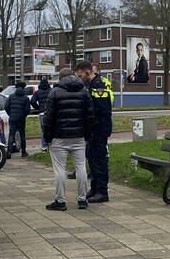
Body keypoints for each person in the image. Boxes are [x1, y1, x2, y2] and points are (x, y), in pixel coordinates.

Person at [42, 66, 93, 211]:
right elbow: (90, 116)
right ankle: (82, 199)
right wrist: (87, 135)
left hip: (59, 137)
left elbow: (48, 118)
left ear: (60, 78)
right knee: (81, 167)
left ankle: (60, 201)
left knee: (59, 170)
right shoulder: (84, 91)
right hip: (79, 137)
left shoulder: (55, 92)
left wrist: (47, 138)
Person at [76, 61, 113, 202]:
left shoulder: (98, 85)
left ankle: (102, 192)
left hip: (100, 127)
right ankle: (95, 188)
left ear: (86, 72)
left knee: (99, 159)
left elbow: (102, 108)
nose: (80, 78)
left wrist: (86, 111)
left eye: (80, 75)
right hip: (93, 128)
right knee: (91, 157)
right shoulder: (91, 84)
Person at [4, 81, 31, 158]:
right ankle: (23, 152)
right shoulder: (26, 98)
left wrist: (10, 114)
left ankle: (9, 152)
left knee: (11, 135)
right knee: (22, 135)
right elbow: (27, 110)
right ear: (24, 88)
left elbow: (6, 107)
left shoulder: (11, 96)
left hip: (12, 118)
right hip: (21, 119)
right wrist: (23, 116)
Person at [30, 77, 52, 151]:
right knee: (52, 128)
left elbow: (32, 101)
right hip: (50, 112)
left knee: (43, 130)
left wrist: (38, 108)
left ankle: (44, 147)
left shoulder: (38, 92)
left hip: (42, 113)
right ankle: (51, 146)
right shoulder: (51, 91)